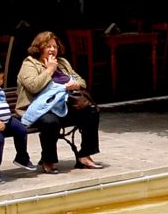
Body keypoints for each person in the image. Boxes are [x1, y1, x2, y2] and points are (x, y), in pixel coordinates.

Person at [16, 30, 103, 174]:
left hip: (63, 105)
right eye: (48, 46)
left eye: (54, 47)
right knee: (50, 122)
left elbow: (82, 81)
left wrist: (76, 85)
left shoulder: (62, 63)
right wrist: (49, 69)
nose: (52, 50)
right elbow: (33, 86)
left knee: (91, 112)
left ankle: (85, 155)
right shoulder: (29, 64)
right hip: (39, 109)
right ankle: (48, 160)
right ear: (39, 47)